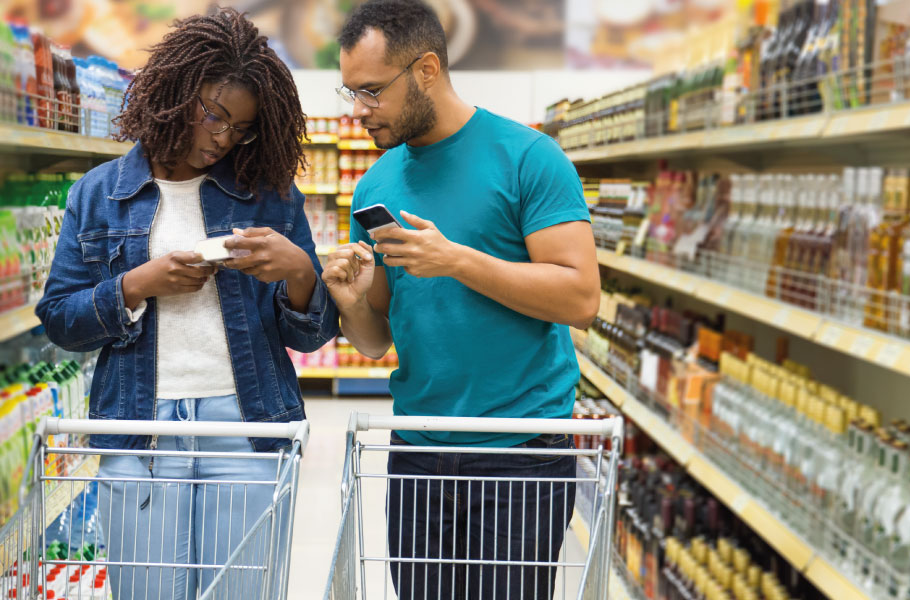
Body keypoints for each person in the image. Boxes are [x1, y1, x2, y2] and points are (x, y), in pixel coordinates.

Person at [35, 9, 336, 598]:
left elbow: (308, 335)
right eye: (215, 115)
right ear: (174, 93)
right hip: (140, 427)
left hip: (246, 426)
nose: (223, 138)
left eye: (241, 128)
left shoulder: (269, 195)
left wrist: (301, 271)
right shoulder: (99, 194)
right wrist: (137, 284)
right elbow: (59, 321)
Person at [321, 0, 601, 597]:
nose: (360, 112)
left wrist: (457, 261)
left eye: (371, 91)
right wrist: (351, 303)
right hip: (417, 448)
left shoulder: (528, 157)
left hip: (520, 451)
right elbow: (375, 343)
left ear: (425, 69)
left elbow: (580, 297)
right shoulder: (375, 184)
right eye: (351, 94)